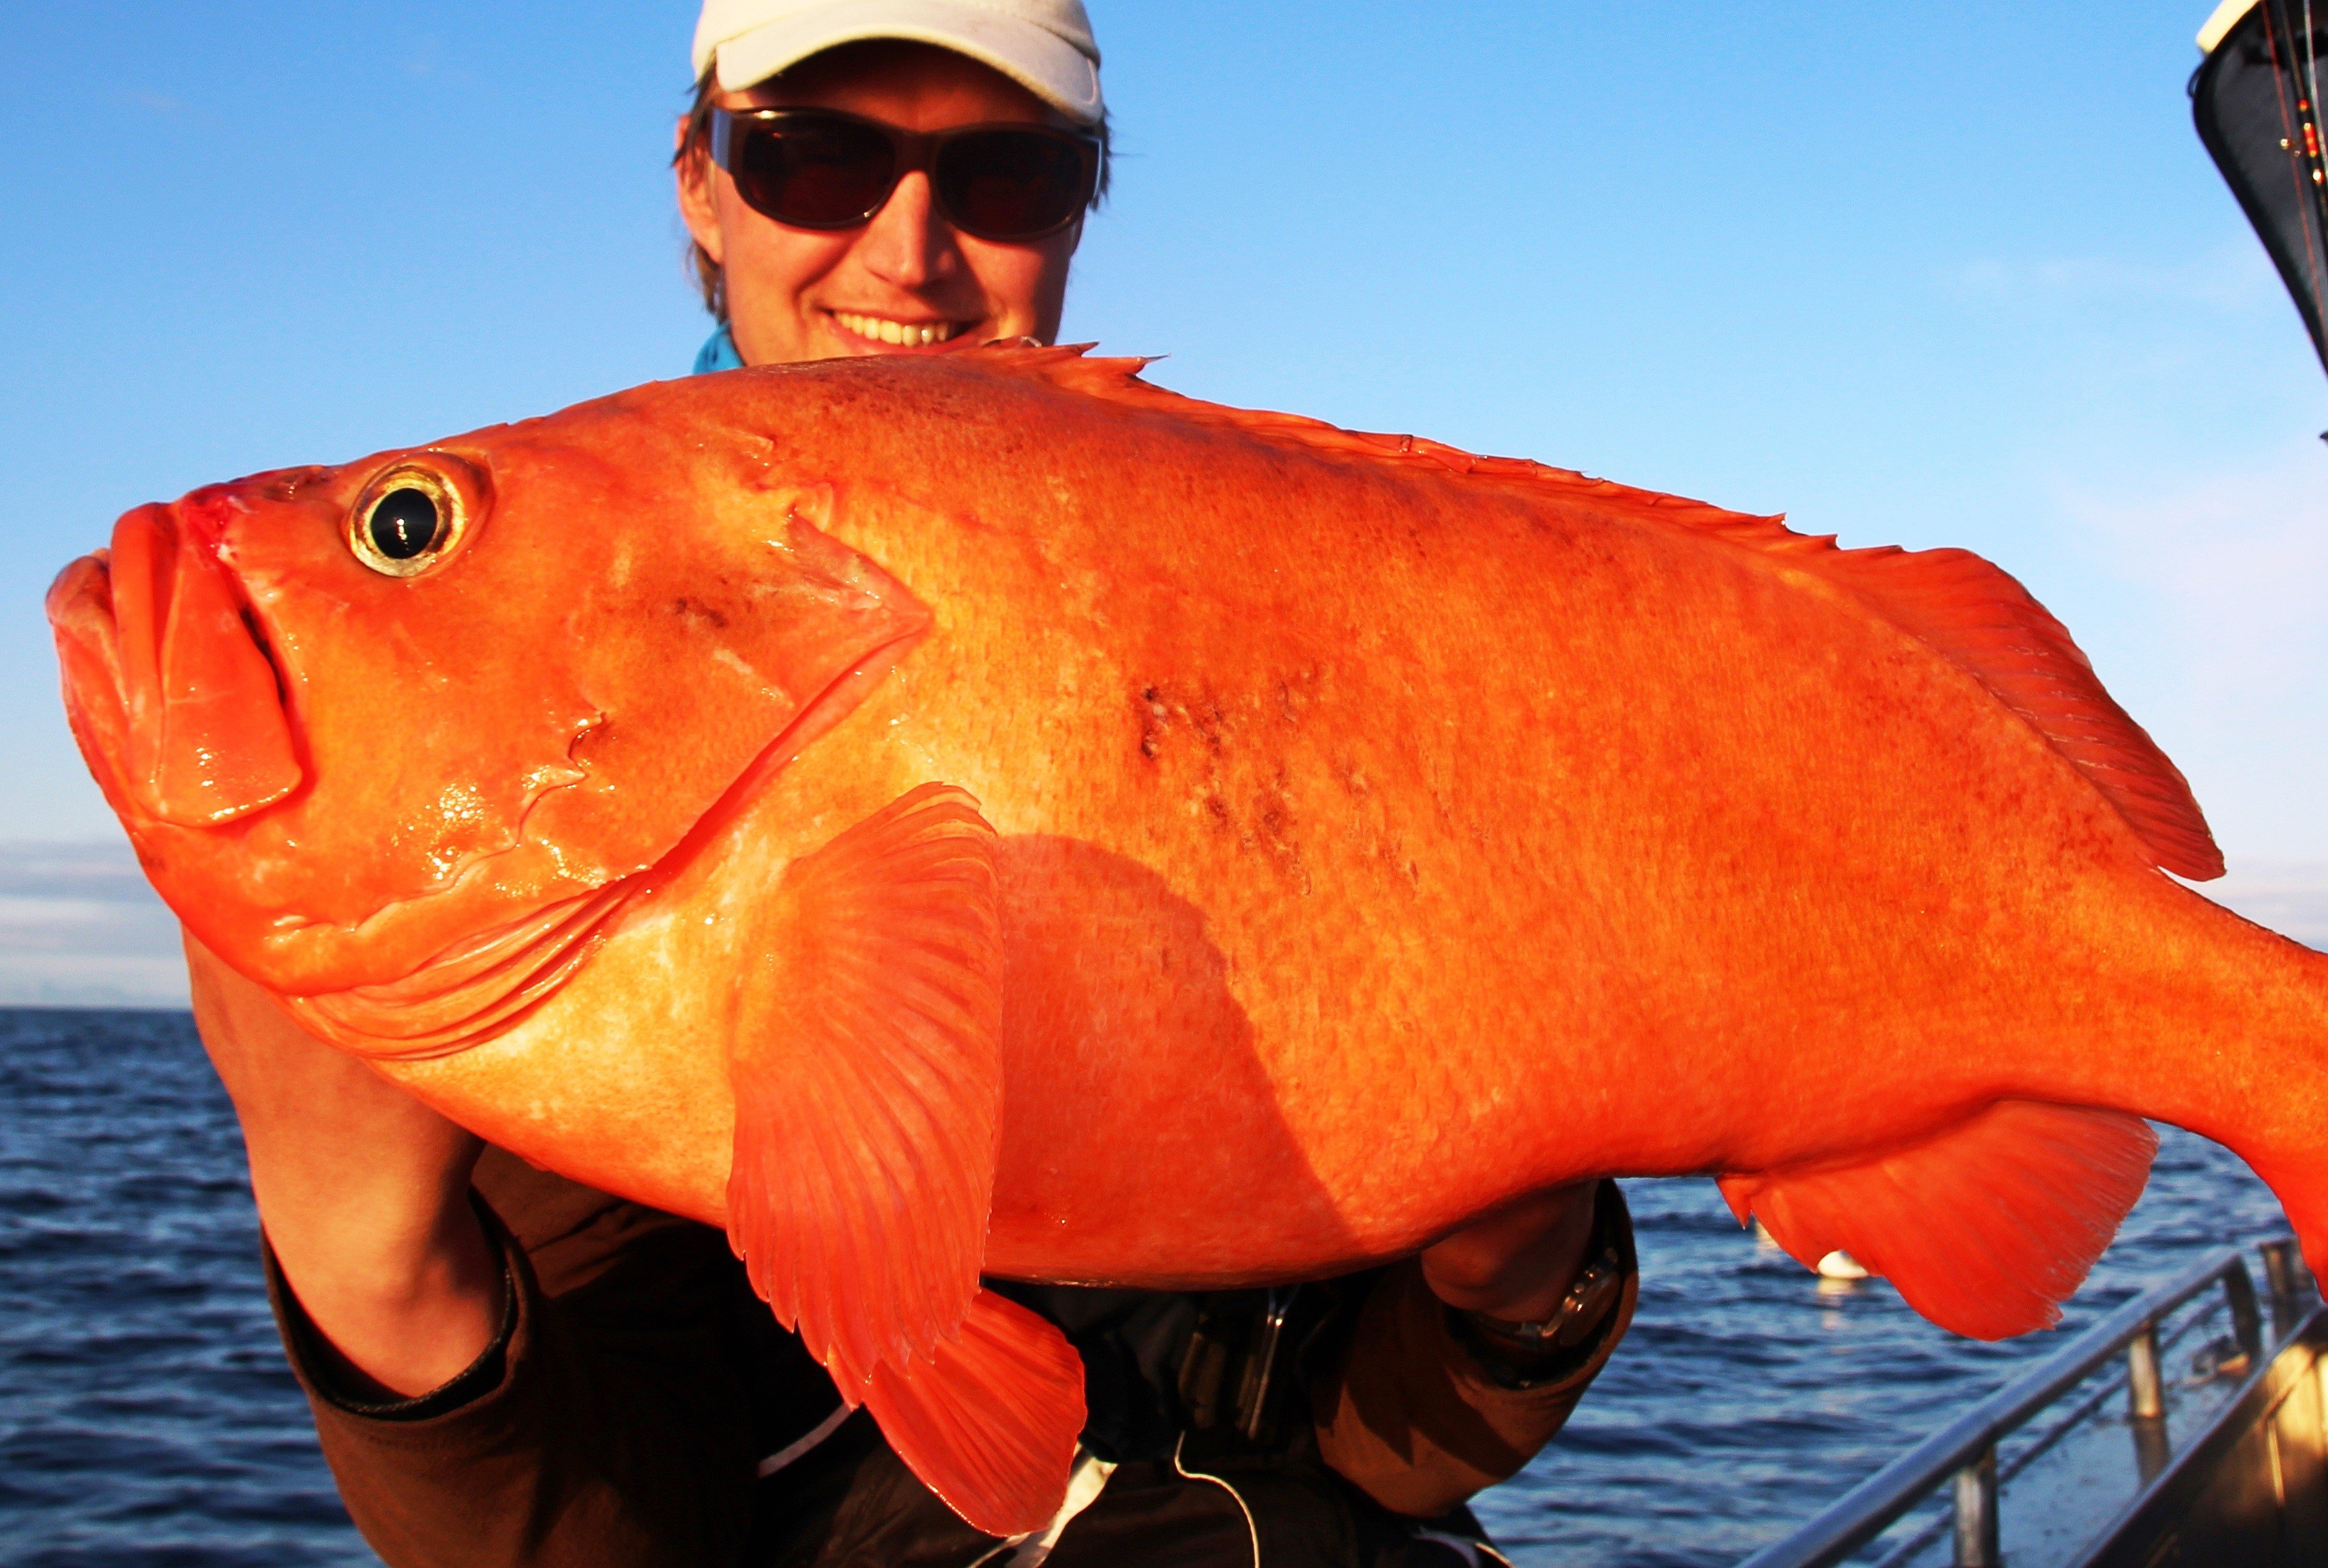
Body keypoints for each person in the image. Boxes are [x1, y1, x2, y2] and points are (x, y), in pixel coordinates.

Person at [191, 4, 1638, 1565]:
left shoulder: (1274, 620)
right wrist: (366, 1261)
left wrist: (1524, 1278)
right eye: (815, 160)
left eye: (1004, 172)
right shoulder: (546, 749)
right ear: (701, 179)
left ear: (1084, 200)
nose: (907, 250)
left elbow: (1386, 1460)